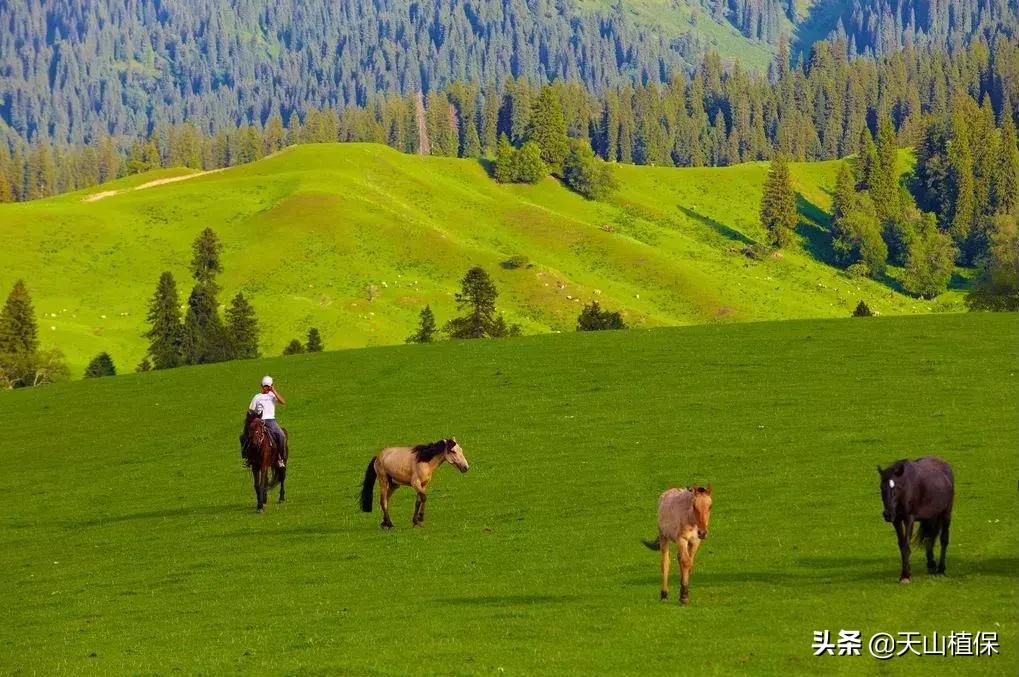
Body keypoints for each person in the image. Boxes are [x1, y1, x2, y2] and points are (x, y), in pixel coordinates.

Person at [242, 375, 288, 467]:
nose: (266, 388)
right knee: (245, 436)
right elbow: (251, 410)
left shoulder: (272, 396)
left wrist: (274, 391)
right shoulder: (257, 397)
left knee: (281, 435)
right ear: (261, 386)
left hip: (271, 421)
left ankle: (280, 459)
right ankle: (247, 458)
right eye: (265, 386)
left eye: (268, 386)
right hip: (259, 421)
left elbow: (283, 402)